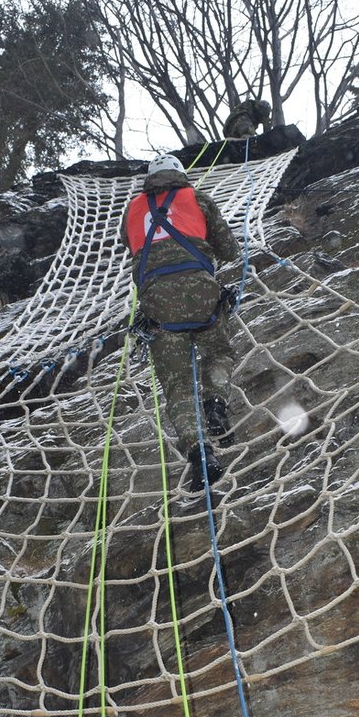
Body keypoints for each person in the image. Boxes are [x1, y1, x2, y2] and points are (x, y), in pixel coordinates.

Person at [122, 154, 241, 491]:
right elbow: (230, 251)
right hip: (202, 295)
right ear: (181, 175)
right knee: (219, 351)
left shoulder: (132, 210)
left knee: (177, 385)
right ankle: (216, 403)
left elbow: (131, 244)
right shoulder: (199, 200)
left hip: (159, 305)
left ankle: (199, 452)